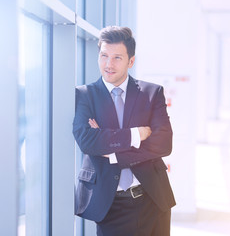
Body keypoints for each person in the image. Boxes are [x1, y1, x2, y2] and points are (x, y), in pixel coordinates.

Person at [73, 26, 176, 236]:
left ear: (131, 61)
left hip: (152, 199)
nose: (108, 64)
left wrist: (111, 151)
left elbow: (164, 143)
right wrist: (136, 135)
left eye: (117, 58)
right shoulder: (84, 95)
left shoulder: (151, 93)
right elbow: (87, 141)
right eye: (104, 56)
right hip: (109, 205)